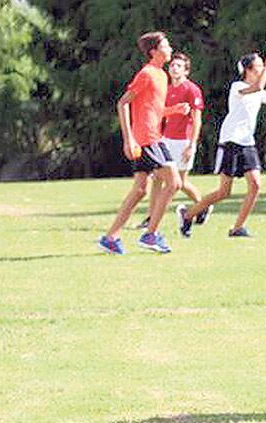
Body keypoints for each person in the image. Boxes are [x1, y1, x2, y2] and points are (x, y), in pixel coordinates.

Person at [177, 48, 266, 239]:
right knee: (223, 192)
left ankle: (237, 228)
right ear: (248, 70)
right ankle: (187, 215)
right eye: (259, 66)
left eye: (262, 65)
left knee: (255, 185)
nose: (262, 68)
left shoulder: (259, 92)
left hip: (247, 143)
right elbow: (257, 87)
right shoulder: (237, 87)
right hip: (230, 141)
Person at [98, 31, 190, 255]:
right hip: (147, 138)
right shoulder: (147, 74)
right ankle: (151, 235)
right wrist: (128, 138)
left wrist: (174, 110)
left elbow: (154, 110)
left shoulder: (162, 76)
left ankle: (110, 238)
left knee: (140, 190)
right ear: (154, 51)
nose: (170, 49)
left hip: (152, 136)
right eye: (166, 46)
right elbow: (123, 103)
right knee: (174, 183)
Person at [136, 52, 206, 232]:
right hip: (166, 139)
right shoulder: (166, 89)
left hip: (183, 141)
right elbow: (160, 113)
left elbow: (197, 120)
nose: (174, 68)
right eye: (173, 65)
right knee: (157, 178)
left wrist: (192, 144)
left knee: (180, 182)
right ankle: (151, 218)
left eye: (179, 66)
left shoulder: (192, 89)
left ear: (186, 71)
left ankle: (202, 205)